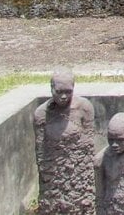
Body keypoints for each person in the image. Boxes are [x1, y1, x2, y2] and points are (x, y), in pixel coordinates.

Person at [33, 69, 95, 214]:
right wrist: (47, 173)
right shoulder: (42, 114)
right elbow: (40, 151)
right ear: (51, 89)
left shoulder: (84, 107)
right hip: (54, 173)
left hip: (78, 170)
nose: (63, 96)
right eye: (59, 91)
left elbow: (89, 144)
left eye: (68, 91)